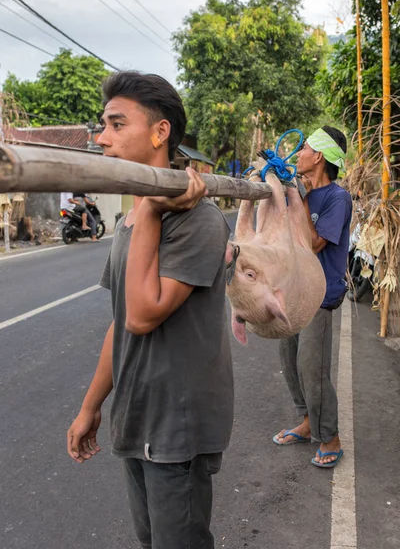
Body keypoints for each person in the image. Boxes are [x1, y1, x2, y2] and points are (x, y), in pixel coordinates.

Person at [67, 71, 234, 548]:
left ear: (161, 133)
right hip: (136, 414)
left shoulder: (198, 219)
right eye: (104, 125)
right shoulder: (128, 220)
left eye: (118, 125)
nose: (102, 138)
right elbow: (121, 322)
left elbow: (144, 314)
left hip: (176, 423)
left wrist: (157, 210)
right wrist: (90, 406)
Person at [273, 125, 352, 468]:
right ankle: (307, 421)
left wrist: (297, 194)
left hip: (320, 294)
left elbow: (314, 241)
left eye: (303, 147)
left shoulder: (337, 197)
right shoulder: (301, 193)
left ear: (318, 156)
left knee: (311, 366)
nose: (298, 152)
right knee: (288, 358)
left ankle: (329, 435)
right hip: (294, 290)